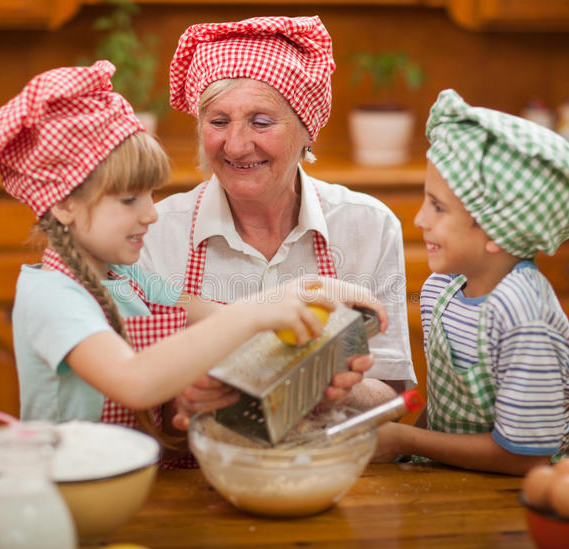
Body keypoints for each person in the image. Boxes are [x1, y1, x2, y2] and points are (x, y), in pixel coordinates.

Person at [0, 60, 388, 466]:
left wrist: (311, 295)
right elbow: (134, 381)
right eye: (130, 199)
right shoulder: (52, 296)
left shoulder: (126, 278)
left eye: (151, 195)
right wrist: (261, 313)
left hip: (125, 477)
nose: (151, 214)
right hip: (68, 486)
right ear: (65, 205)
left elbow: (220, 316)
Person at [140, 16, 416, 427]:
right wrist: (183, 401)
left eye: (261, 122)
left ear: (307, 130)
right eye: (218, 121)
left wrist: (325, 388)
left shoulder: (368, 226)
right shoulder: (155, 232)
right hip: (203, 461)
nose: (236, 145)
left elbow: (393, 396)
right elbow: (141, 397)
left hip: (326, 458)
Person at [372, 89, 569, 476]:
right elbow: (445, 407)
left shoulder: (522, 315)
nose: (420, 219)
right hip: (456, 475)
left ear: (497, 230)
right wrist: (406, 449)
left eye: (437, 206)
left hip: (521, 488)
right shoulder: (440, 290)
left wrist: (406, 440)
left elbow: (526, 458)